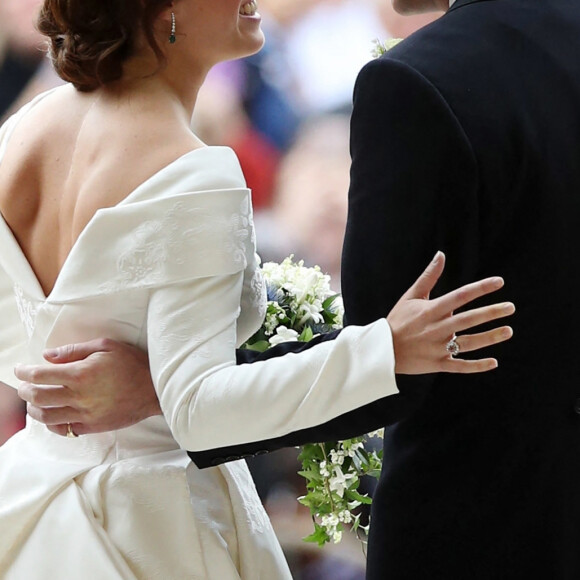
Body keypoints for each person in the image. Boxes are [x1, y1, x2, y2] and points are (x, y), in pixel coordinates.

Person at [2, 1, 517, 578]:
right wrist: (384, 351)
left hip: (31, 496)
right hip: (150, 525)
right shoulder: (193, 173)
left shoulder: (27, 128)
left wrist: (48, 378)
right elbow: (198, 409)